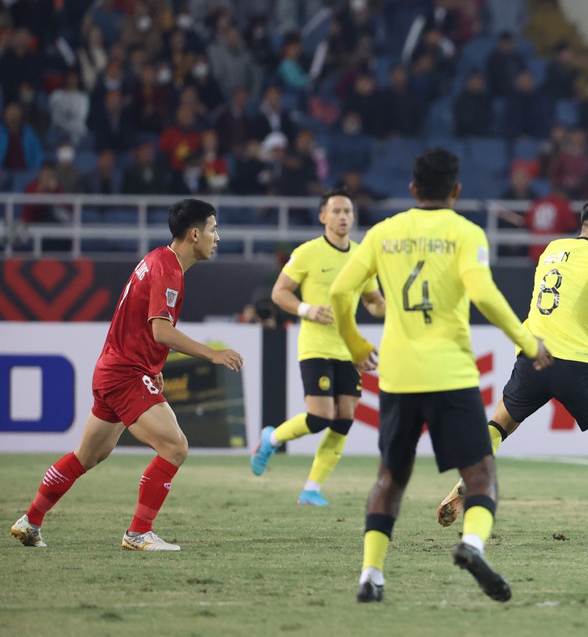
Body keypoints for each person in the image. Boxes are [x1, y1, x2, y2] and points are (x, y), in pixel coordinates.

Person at [328, 148, 553, 604]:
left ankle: (371, 575)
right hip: (450, 373)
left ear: (412, 189)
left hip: (397, 375)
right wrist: (528, 342)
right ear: (456, 191)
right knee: (480, 475)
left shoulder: (383, 233)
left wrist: (355, 345)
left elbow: (339, 291)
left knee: (389, 478)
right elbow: (484, 295)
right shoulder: (465, 233)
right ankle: (471, 546)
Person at [435, 198, 588, 539]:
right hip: (572, 362)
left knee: (497, 424)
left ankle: (469, 479)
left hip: (531, 354)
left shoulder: (550, 250)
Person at [11, 200, 245, 552]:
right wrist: (212, 353)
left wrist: (155, 367)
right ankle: (138, 533)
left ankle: (30, 520)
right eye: (213, 229)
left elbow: (142, 327)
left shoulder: (156, 260)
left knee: (87, 456)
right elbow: (161, 331)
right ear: (195, 234)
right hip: (124, 375)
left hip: (112, 371)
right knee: (175, 447)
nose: (217, 237)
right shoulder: (167, 269)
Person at [252, 188, 386, 504]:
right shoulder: (308, 252)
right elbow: (279, 292)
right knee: (320, 416)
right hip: (315, 346)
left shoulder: (362, 255)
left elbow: (373, 301)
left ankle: (311, 488)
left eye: (348, 212)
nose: (343, 217)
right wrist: (306, 309)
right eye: (337, 211)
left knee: (343, 419)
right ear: (323, 216)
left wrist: (392, 307)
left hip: (349, 349)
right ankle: (271, 438)